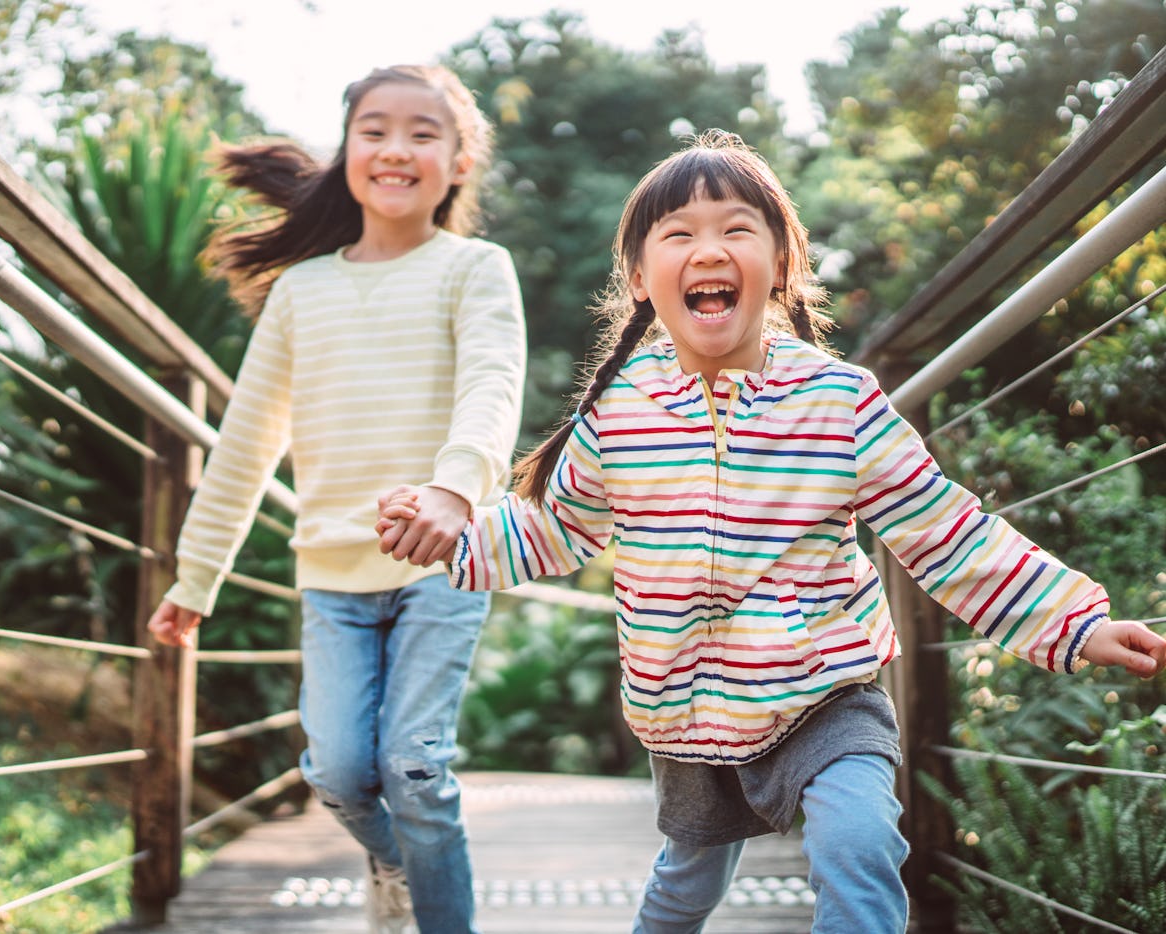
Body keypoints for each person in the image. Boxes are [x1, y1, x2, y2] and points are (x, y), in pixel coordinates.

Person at [376, 129, 1166, 933]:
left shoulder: (839, 402)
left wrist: (1078, 624)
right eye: (678, 235)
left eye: (736, 229)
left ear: (781, 266)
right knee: (686, 889)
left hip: (825, 690)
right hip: (683, 707)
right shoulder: (620, 412)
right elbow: (555, 527)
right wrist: (459, 539)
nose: (708, 249)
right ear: (642, 280)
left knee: (858, 845)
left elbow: (948, 530)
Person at [146, 64, 526, 934]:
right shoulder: (300, 292)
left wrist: (454, 492)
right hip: (332, 578)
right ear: (347, 149)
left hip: (446, 562)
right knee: (340, 772)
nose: (397, 148)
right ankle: (395, 866)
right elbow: (245, 441)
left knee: (416, 767)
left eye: (423, 133)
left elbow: (493, 388)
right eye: (376, 129)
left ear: (460, 161)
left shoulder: (476, 268)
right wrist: (194, 576)